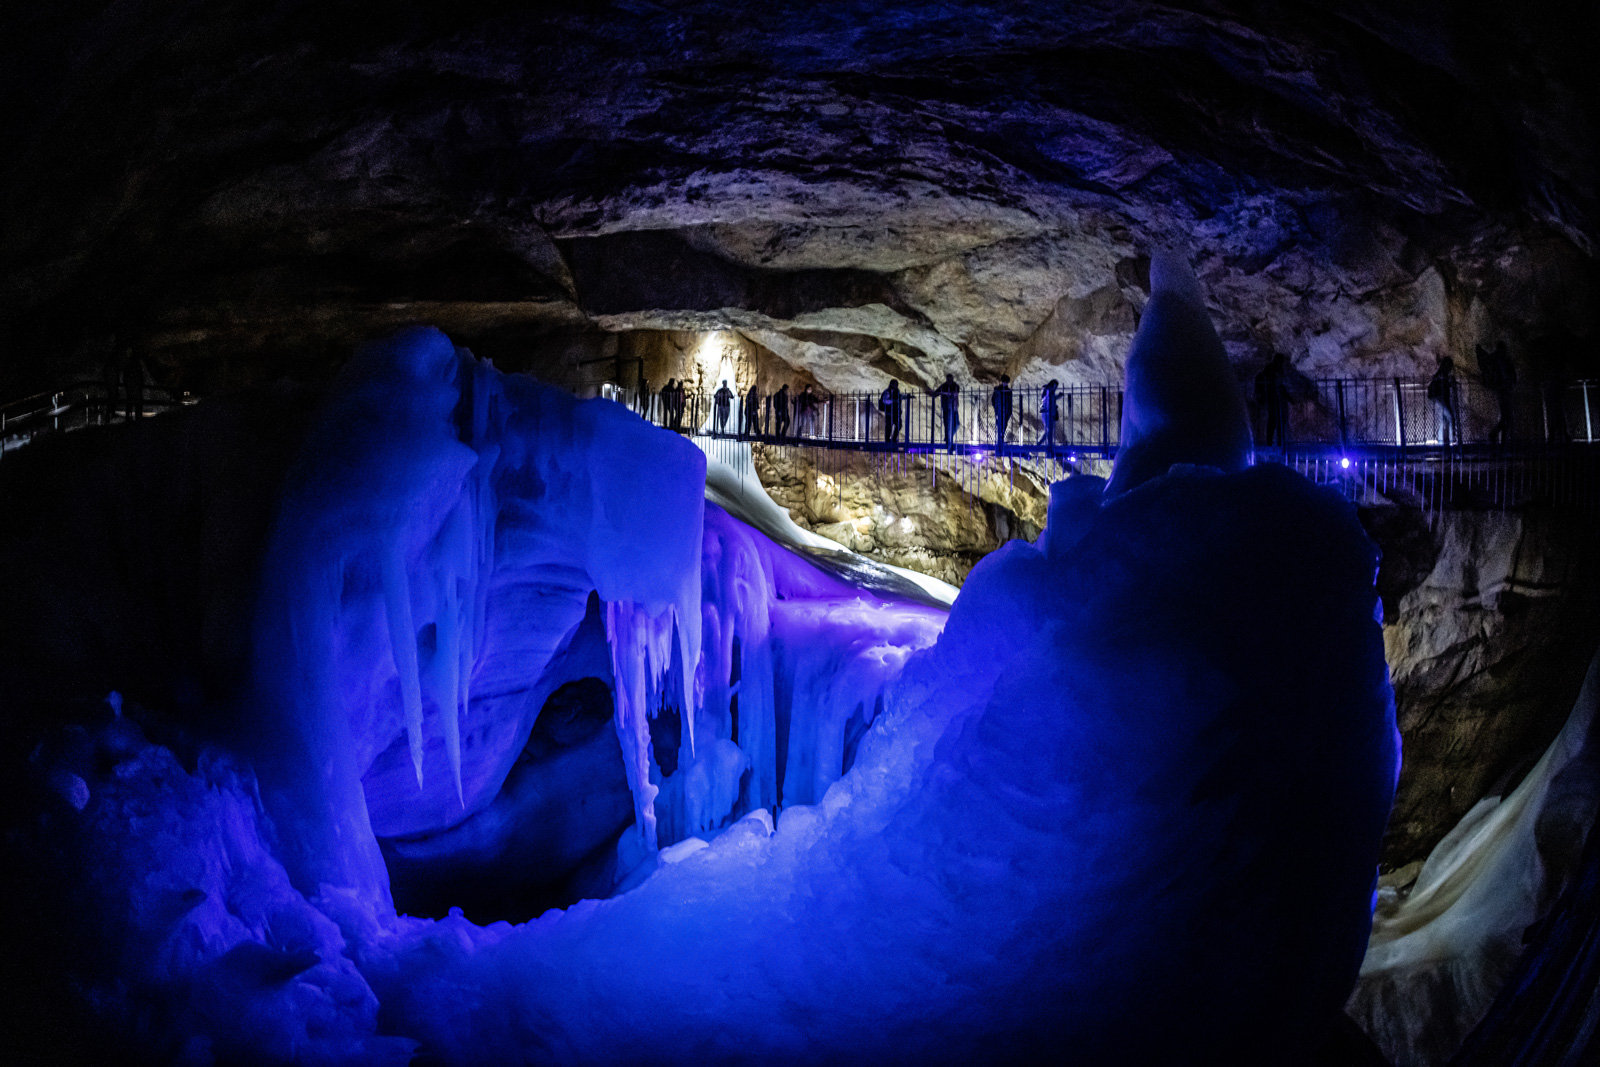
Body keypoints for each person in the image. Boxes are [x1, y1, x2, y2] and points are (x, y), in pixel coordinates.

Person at [1476, 341, 1516, 446]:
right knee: (1507, 416)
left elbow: (1486, 364)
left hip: (1501, 388)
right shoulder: (1504, 359)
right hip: (1505, 388)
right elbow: (1510, 373)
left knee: (1506, 416)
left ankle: (1502, 439)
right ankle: (1497, 436)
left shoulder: (1494, 358)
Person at [1254, 353, 1289, 449]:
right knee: (1274, 420)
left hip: (1275, 398)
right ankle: (1273, 441)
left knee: (1277, 421)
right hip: (1273, 398)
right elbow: (1275, 384)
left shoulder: (1275, 369)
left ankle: (1277, 441)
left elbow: (1280, 385)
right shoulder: (1271, 370)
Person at [1427, 355, 1459, 449]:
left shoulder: (1440, 374)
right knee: (1450, 417)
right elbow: (1443, 386)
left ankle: (1443, 441)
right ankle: (1452, 439)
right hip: (1441, 399)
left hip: (1440, 399)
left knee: (1444, 420)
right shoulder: (1442, 375)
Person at [933, 373, 960, 448]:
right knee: (947, 424)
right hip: (946, 408)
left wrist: (945, 393)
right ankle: (948, 440)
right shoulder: (943, 386)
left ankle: (948, 437)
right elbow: (936, 393)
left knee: (957, 424)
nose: (949, 381)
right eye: (948, 380)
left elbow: (955, 393)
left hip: (954, 407)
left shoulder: (955, 386)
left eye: (950, 379)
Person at [991, 375, 1013, 448]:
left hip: (1006, 410)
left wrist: (1009, 411)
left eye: (1006, 382)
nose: (1005, 384)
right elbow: (993, 400)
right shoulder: (997, 390)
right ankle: (999, 439)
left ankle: (1001, 439)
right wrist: (996, 408)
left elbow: (1010, 402)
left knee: (1004, 425)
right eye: (1004, 382)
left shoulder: (1008, 391)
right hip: (1000, 410)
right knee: (999, 425)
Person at [1039, 378, 1060, 446]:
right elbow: (1048, 400)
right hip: (1048, 413)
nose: (1055, 388)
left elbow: (1051, 399)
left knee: (1048, 430)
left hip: (1050, 413)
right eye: (1055, 386)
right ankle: (1045, 444)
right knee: (1048, 430)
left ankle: (1041, 443)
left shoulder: (1049, 391)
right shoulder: (1048, 390)